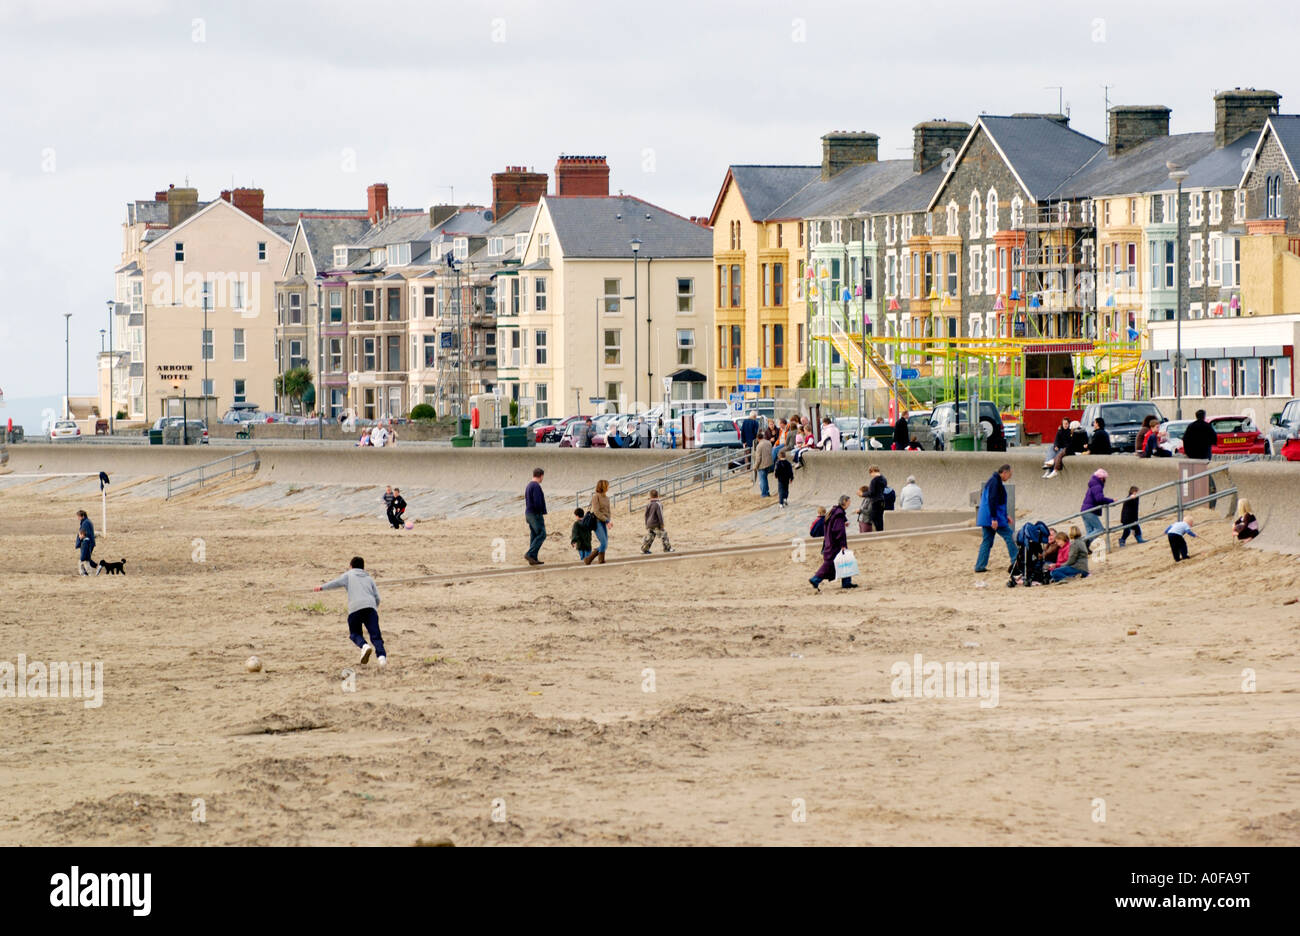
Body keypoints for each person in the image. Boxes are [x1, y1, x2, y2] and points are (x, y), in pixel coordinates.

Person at [315, 556, 387, 667]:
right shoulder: (369, 578)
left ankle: (364, 646)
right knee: (375, 635)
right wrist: (373, 608)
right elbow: (377, 598)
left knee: (354, 633)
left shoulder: (348, 575)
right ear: (363, 567)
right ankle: (382, 658)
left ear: (351, 566)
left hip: (355, 609)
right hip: (370, 608)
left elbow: (335, 583)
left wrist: (321, 587)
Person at [809, 495, 857, 591]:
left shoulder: (833, 511)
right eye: (849, 502)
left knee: (842, 561)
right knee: (832, 563)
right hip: (835, 543)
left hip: (830, 542)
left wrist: (842, 524)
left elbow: (832, 525)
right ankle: (815, 579)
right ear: (844, 502)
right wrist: (843, 544)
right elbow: (839, 531)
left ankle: (846, 582)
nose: (849, 503)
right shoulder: (839, 513)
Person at [974, 464, 1015, 573]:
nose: (1010, 477)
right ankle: (1016, 561)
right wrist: (994, 518)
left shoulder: (992, 481)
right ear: (1004, 472)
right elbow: (992, 500)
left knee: (987, 540)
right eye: (1010, 474)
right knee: (1009, 536)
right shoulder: (995, 482)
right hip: (993, 517)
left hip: (986, 517)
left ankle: (980, 565)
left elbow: (994, 500)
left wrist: (1005, 515)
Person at [1080, 468, 1113, 541]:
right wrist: (1111, 500)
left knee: (1090, 532)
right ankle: (1082, 542)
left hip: (1084, 510)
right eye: (1104, 479)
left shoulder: (1093, 484)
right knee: (1100, 529)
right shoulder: (1097, 485)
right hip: (1090, 511)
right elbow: (1099, 499)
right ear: (1101, 478)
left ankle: (1086, 548)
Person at [524, 468, 547, 566]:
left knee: (534, 535)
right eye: (543, 477)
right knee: (542, 534)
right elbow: (537, 502)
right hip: (535, 514)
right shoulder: (536, 486)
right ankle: (529, 554)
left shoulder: (529, 485)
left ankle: (533, 558)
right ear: (541, 476)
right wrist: (540, 511)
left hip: (528, 513)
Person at [586, 478, 611, 564]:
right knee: (603, 543)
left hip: (605, 522)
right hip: (597, 522)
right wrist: (606, 520)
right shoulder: (596, 496)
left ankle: (601, 560)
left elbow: (608, 511)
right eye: (607, 485)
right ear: (603, 486)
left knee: (605, 544)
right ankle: (588, 559)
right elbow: (596, 511)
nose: (608, 487)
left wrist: (609, 521)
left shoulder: (607, 498)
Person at [641, 489, 672, 554]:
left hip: (649, 523)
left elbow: (646, 515)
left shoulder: (648, 504)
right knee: (664, 534)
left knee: (650, 536)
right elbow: (660, 515)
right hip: (656, 523)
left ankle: (644, 549)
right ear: (658, 495)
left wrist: (646, 524)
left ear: (650, 496)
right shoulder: (658, 504)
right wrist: (662, 524)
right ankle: (667, 548)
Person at [865, 465, 887, 533]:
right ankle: (881, 532)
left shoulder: (874, 480)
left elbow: (872, 493)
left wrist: (862, 494)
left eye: (871, 473)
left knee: (874, 518)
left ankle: (879, 532)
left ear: (873, 471)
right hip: (882, 500)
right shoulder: (883, 479)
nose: (871, 475)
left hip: (876, 501)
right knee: (880, 518)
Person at [75, 509, 96, 576]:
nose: (78, 518)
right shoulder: (86, 521)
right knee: (86, 558)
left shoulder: (85, 523)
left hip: (87, 543)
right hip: (89, 542)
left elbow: (85, 533)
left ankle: (86, 573)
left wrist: (80, 539)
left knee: (85, 559)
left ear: (83, 516)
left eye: (78, 516)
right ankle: (89, 570)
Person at [753, 432, 774, 497]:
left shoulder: (759, 446)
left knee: (762, 480)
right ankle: (767, 492)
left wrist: (755, 466)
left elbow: (758, 458)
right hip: (769, 463)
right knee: (765, 479)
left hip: (762, 465)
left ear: (757, 438)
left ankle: (764, 493)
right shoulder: (768, 442)